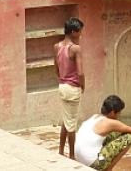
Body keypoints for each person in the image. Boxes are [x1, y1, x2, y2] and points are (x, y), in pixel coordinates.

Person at [75, 95, 131, 171]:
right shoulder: (110, 122)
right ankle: (108, 169)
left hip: (80, 160)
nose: (119, 115)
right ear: (113, 112)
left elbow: (127, 129)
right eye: (119, 113)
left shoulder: (95, 117)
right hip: (94, 163)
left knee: (118, 133)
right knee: (128, 138)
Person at [54, 17, 85, 159]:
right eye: (79, 32)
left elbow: (56, 67)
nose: (81, 34)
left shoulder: (57, 46)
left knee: (66, 120)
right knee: (72, 123)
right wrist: (82, 85)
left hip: (62, 86)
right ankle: (72, 156)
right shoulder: (75, 49)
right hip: (73, 87)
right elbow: (80, 72)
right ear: (73, 32)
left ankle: (61, 150)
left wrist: (62, 79)